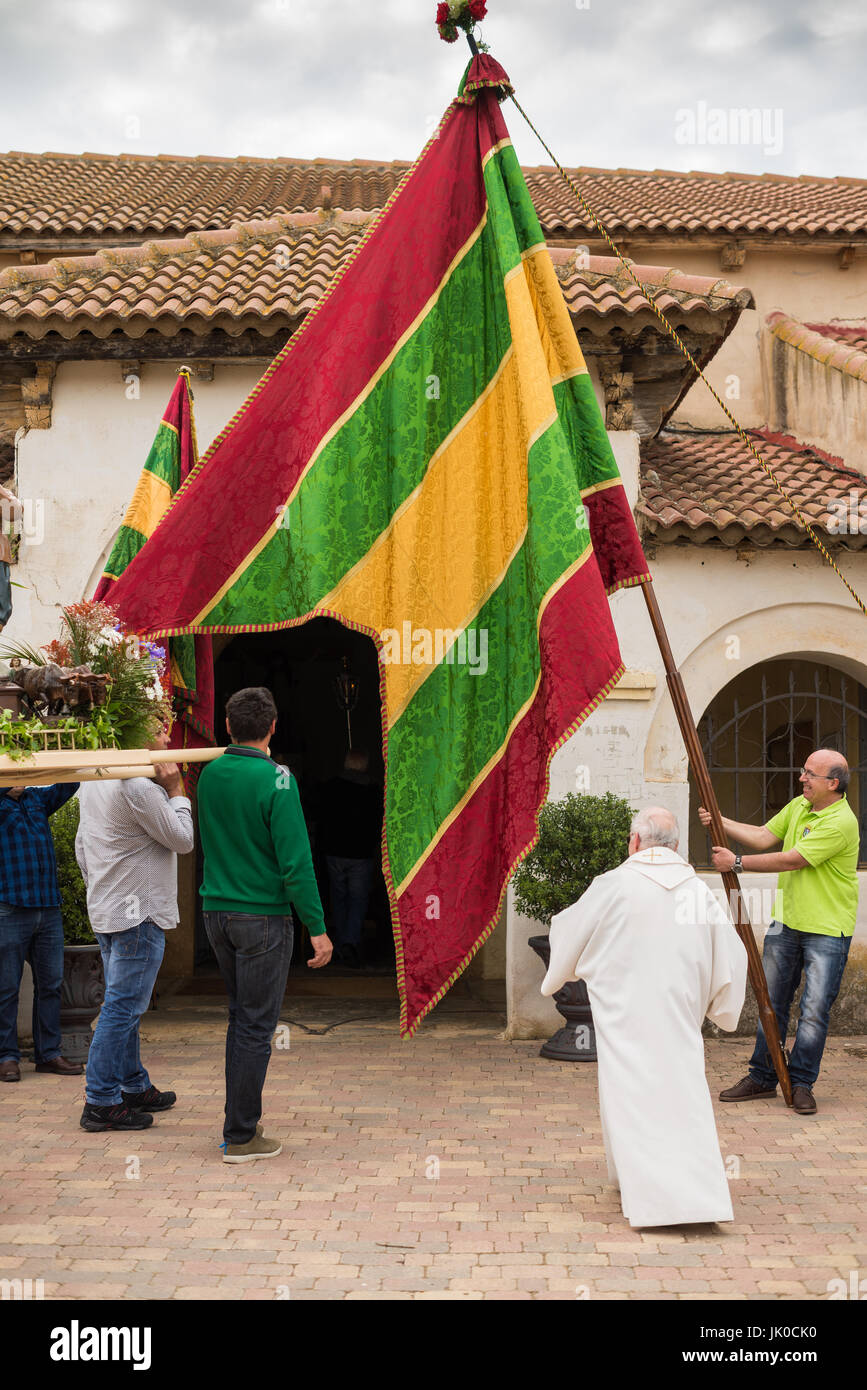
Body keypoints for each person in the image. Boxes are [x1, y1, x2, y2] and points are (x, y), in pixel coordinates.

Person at [541, 807, 747, 1228]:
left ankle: (653, 1198)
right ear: (676, 847)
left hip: (625, 1013)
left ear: (635, 842)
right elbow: (730, 956)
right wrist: (715, 1006)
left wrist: (568, 967)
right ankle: (689, 1196)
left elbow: (568, 931)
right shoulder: (697, 891)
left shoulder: (613, 885)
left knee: (629, 1094)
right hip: (678, 1013)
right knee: (682, 1095)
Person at [197, 686, 332, 1164]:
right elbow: (296, 863)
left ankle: (239, 1124)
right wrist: (317, 927)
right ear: (272, 727)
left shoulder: (209, 775)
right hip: (261, 918)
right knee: (256, 1025)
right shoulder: (278, 779)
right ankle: (240, 1134)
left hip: (217, 911)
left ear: (228, 726)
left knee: (241, 1020)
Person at [702, 748, 859, 1116]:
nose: (801, 778)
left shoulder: (841, 821)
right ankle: (762, 1076)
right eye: (803, 771)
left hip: (826, 930)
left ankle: (801, 1082)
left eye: (809, 774)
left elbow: (793, 859)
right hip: (786, 923)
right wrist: (719, 821)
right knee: (770, 1003)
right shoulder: (800, 807)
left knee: (814, 1011)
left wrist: (736, 862)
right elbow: (761, 835)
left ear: (832, 783)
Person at [75, 726, 194, 1131]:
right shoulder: (138, 786)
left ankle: (132, 1085)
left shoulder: (97, 777)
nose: (167, 731)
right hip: (137, 913)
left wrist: (100, 888)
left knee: (121, 1004)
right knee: (122, 1007)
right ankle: (101, 1100)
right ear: (137, 731)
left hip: (109, 907)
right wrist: (177, 789)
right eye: (159, 724)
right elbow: (182, 840)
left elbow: (81, 845)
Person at [0, 780, 83, 1082]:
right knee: (6, 988)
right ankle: (6, 1057)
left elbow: (70, 781)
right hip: (9, 907)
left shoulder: (38, 799)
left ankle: (48, 1054)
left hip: (48, 907)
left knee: (51, 984)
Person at [314, 749, 382, 968]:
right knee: (358, 899)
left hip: (334, 852)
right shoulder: (372, 790)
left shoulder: (329, 787)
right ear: (364, 766)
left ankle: (341, 940)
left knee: (338, 897)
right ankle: (349, 942)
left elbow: (320, 817)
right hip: (361, 854)